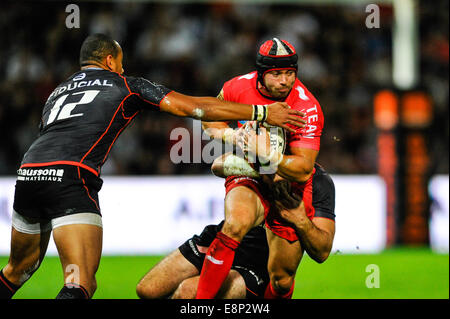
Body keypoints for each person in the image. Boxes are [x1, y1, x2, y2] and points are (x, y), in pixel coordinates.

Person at [0, 33, 307, 300]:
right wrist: (261, 112)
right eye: (120, 63)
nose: (123, 68)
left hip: (28, 172)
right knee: (80, 282)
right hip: (70, 177)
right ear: (109, 61)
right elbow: (192, 107)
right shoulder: (125, 84)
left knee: (18, 269)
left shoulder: (58, 92)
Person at [197, 38, 335, 299]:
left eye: (290, 73)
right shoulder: (236, 87)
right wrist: (234, 137)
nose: (285, 81)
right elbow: (210, 120)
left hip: (288, 186)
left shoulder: (306, 107)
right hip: (250, 173)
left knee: (281, 280)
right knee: (235, 224)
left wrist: (268, 154)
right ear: (261, 74)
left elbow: (304, 170)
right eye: (277, 74)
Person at [136, 165, 336, 299]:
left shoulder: (318, 182)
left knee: (187, 292)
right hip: (224, 238)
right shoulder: (254, 159)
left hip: (259, 262)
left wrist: (300, 219)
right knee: (147, 290)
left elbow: (322, 251)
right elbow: (218, 164)